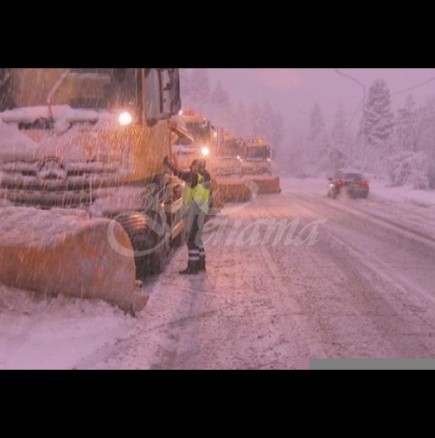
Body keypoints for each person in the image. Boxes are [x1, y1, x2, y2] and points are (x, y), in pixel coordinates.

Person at [163, 156, 211, 274]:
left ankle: (193, 267)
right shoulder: (205, 177)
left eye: (193, 165)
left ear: (197, 167)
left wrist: (169, 165)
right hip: (202, 211)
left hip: (195, 211)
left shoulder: (194, 176)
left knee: (191, 240)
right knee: (197, 239)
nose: (191, 167)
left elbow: (180, 174)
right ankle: (201, 264)